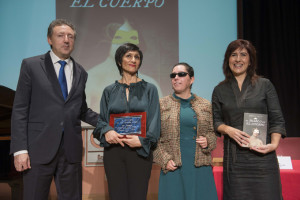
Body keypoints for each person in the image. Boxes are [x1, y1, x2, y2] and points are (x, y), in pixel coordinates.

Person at [10, 19, 99, 200]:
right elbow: (20, 109)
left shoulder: (81, 72)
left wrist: (110, 121)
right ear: (49, 39)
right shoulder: (31, 65)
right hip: (37, 150)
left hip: (70, 152)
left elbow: (80, 110)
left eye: (70, 36)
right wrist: (20, 149)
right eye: (61, 35)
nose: (66, 40)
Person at [212, 39, 286, 200]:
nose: (238, 59)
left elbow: (277, 120)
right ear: (228, 60)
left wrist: (273, 145)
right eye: (234, 55)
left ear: (250, 60)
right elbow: (215, 121)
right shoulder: (219, 90)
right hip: (235, 161)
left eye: (243, 55)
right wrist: (227, 129)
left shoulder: (265, 85)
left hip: (263, 159)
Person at [92, 43, 160, 200]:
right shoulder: (109, 91)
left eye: (137, 57)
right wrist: (106, 131)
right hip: (114, 151)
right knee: (117, 195)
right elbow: (102, 121)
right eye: (129, 56)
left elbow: (155, 121)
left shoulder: (150, 89)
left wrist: (143, 141)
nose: (133, 60)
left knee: (138, 195)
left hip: (140, 150)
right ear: (118, 61)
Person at [153, 63, 218, 200]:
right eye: (173, 75)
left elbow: (213, 133)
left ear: (192, 79)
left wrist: (208, 141)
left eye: (181, 74)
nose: (176, 78)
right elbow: (153, 137)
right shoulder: (161, 104)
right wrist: (164, 159)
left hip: (200, 167)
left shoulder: (205, 105)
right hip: (173, 167)